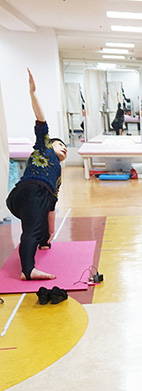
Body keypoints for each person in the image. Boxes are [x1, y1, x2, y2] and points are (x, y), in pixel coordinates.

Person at [6, 69, 67, 281]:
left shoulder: (58, 173)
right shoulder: (44, 147)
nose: (64, 148)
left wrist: (50, 233)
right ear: (51, 144)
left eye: (66, 147)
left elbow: (51, 206)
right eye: (61, 144)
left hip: (32, 199)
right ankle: (27, 270)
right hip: (29, 190)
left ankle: (42, 242)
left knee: (39, 223)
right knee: (31, 229)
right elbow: (41, 119)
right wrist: (33, 94)